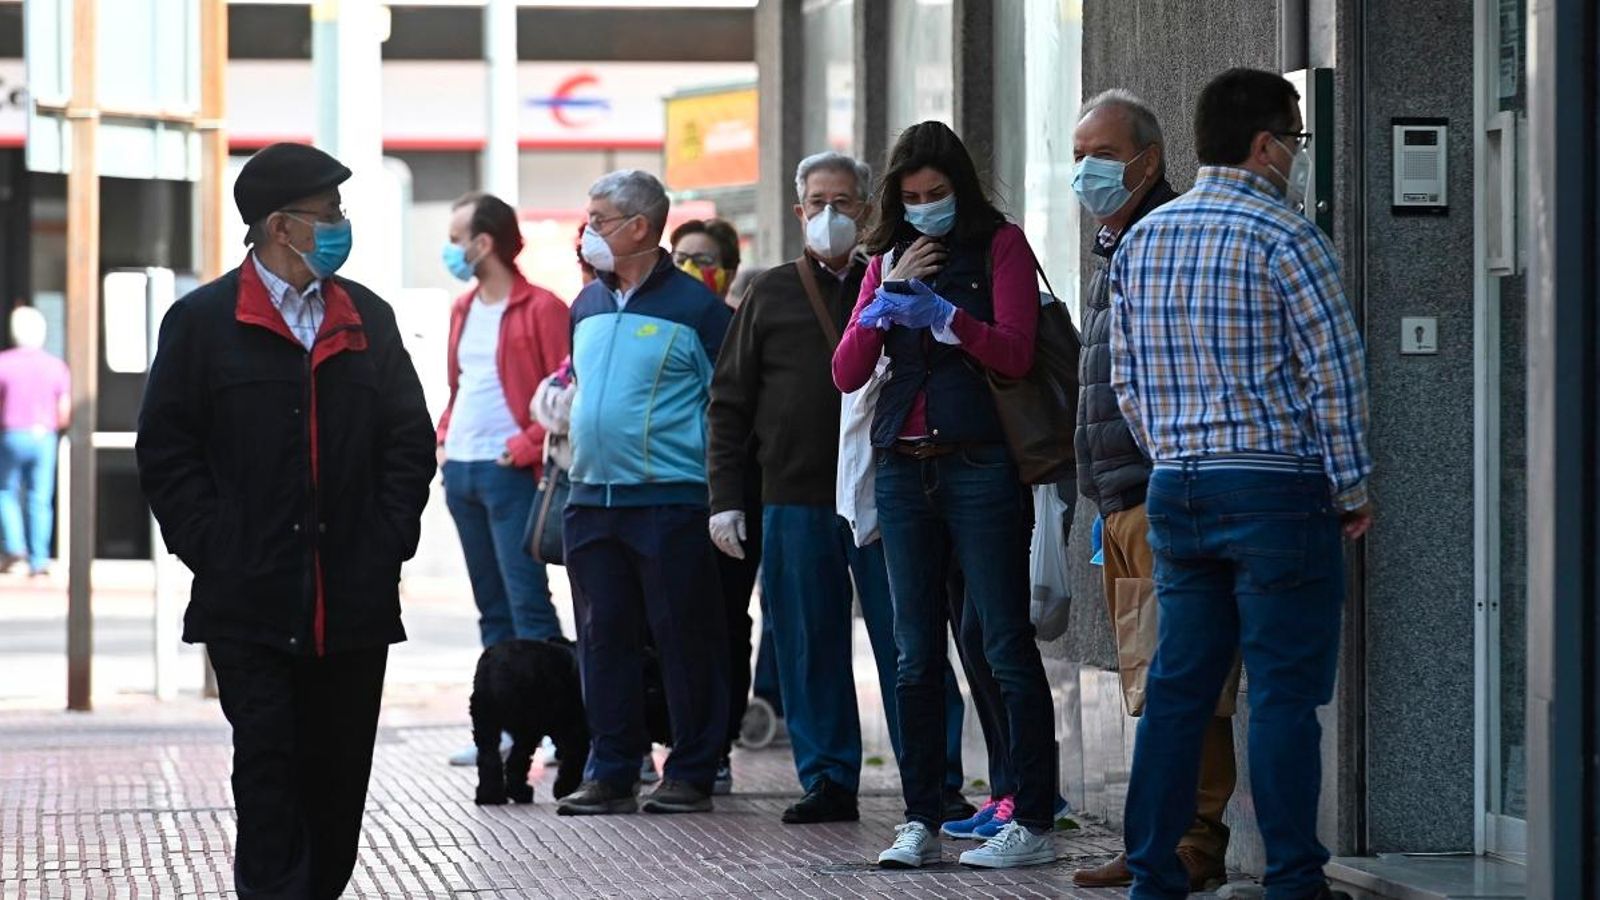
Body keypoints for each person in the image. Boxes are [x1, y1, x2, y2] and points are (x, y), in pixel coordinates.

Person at [136, 142, 435, 899]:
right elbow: (167, 451)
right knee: (269, 771)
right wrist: (214, 546)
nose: (341, 224)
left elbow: (407, 439)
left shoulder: (368, 315)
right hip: (250, 600)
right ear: (281, 226)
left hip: (355, 602)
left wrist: (388, 537)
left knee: (337, 783)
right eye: (329, 212)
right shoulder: (203, 321)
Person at [1110, 68, 1372, 900]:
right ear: (1265, 145)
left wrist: (1176, 455)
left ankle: (1153, 875)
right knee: (1285, 696)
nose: (1294, 157)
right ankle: (1295, 878)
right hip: (1277, 491)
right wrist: (1353, 487)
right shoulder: (1289, 237)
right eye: (1293, 141)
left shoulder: (1145, 238)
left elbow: (1127, 382)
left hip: (1178, 488)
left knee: (1180, 692)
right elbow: (1336, 376)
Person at [708, 151, 971, 826]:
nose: (831, 215)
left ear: (867, 208)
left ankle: (936, 777)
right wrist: (727, 499)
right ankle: (827, 778)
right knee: (806, 640)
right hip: (794, 496)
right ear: (799, 212)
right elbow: (730, 404)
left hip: (888, 492)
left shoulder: (894, 277)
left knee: (908, 638)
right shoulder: (767, 292)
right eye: (818, 202)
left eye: (845, 202)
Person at [833, 121, 1058, 870]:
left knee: (1003, 645)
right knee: (913, 655)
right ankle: (921, 814)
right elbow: (845, 371)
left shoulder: (1000, 245)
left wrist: (947, 316)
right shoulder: (884, 257)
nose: (926, 207)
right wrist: (889, 293)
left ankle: (1029, 813)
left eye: (937, 195)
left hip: (980, 465)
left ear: (960, 187)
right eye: (912, 197)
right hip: (904, 467)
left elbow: (1017, 352)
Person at [1067, 89, 1234, 892]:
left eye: (1098, 156)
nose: (1084, 173)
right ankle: (1158, 840)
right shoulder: (1114, 239)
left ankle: (1192, 842)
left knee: (1184, 680)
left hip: (1162, 492)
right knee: (1149, 675)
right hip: (1123, 499)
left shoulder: (1161, 239)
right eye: (1075, 158)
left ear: (1148, 160)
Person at [555, 170, 732, 817]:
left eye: (598, 218)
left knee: (684, 636)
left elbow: (731, 406)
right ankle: (611, 767)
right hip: (589, 499)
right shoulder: (586, 305)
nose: (588, 230)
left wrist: (730, 495)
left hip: (669, 500)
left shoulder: (699, 310)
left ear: (638, 227)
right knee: (602, 639)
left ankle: (691, 770)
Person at [437, 190, 571, 765]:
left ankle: (557, 724)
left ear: (484, 242)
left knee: (528, 607)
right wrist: (443, 439)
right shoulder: (463, 307)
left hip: (511, 472)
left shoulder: (542, 307)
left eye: (456, 238)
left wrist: (524, 446)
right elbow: (460, 385)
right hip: (462, 472)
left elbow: (567, 390)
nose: (452, 249)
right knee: (491, 607)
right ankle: (503, 727)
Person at [669, 217, 763, 795]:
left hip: (735, 496)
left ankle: (719, 741)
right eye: (681, 256)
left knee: (727, 620)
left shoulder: (738, 328)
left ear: (727, 268)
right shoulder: (663, 321)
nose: (692, 268)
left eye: (704, 258)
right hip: (675, 494)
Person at [0, 306, 70, 577]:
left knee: (6, 492)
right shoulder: (55, 366)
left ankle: (15, 547)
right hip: (44, 435)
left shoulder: (5, 363)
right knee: (40, 498)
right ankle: (39, 559)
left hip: (11, 433)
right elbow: (63, 411)